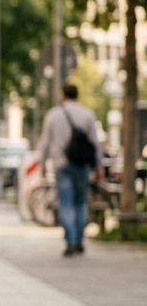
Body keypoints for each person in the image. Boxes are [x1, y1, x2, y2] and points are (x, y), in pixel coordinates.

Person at [39, 83, 103, 256]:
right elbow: (96, 144)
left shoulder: (53, 115)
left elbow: (45, 143)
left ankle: (70, 241)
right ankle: (79, 240)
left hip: (61, 164)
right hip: (81, 165)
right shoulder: (88, 115)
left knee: (65, 203)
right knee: (81, 202)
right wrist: (98, 166)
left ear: (63, 95)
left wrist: (42, 165)